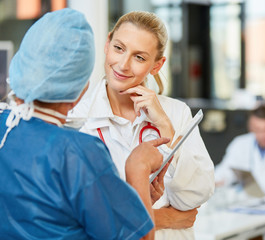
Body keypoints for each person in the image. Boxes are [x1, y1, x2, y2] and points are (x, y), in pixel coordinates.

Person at [0, 8, 169, 239]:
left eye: (139, 56)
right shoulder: (79, 153)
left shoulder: (5, 129)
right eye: (119, 48)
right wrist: (137, 169)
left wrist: (130, 204)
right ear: (81, 89)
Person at [70, 11, 215, 239]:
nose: (123, 65)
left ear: (157, 65)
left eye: (139, 57)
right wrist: (163, 218)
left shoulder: (176, 113)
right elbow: (81, 214)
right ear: (107, 44)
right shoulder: (77, 119)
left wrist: (165, 125)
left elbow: (196, 195)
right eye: (119, 48)